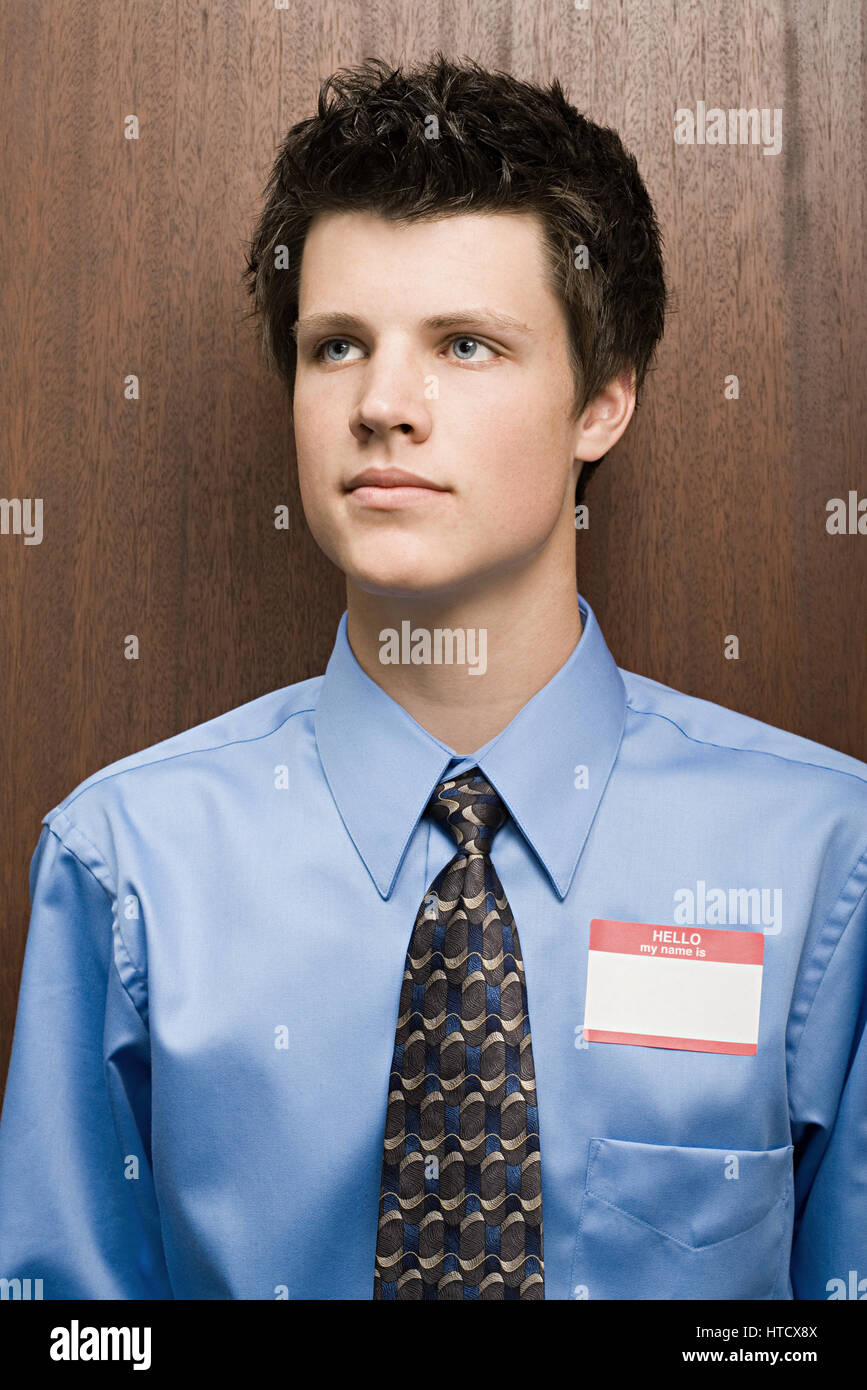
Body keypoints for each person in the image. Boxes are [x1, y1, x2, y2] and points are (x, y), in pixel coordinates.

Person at [0, 53, 864, 1302]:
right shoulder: (125, 864)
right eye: (336, 345)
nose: (383, 405)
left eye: (465, 344)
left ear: (604, 402)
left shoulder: (827, 860)